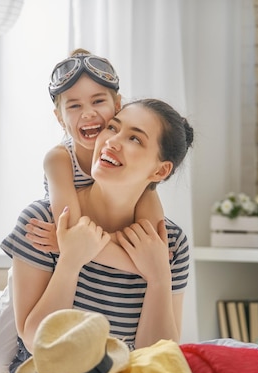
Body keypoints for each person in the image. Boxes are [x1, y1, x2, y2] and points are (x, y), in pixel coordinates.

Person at [0, 98, 193, 373]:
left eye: (134, 138)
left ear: (160, 171)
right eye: (113, 127)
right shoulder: (43, 221)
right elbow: (34, 340)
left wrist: (159, 278)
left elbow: (155, 355)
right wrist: (71, 261)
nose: (112, 141)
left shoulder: (170, 243)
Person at [25, 49, 164, 270]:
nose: (88, 113)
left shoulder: (135, 167)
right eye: (74, 106)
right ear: (60, 118)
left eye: (98, 101)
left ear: (117, 105)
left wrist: (67, 243)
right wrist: (70, 242)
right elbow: (71, 234)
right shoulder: (59, 160)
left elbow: (155, 241)